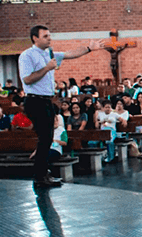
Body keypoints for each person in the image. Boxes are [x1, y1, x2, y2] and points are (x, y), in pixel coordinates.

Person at [18, 25, 102, 187]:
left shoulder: (48, 53)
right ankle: (40, 176)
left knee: (47, 138)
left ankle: (42, 173)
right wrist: (47, 68)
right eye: (45, 36)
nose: (49, 38)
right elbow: (27, 79)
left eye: (49, 35)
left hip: (47, 100)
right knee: (45, 138)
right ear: (35, 38)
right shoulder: (27, 55)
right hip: (35, 100)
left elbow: (69, 54)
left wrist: (89, 49)